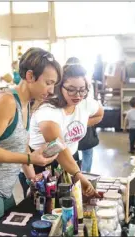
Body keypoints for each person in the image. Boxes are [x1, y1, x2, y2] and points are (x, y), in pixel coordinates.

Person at [0, 47, 62, 236]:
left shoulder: (27, 104)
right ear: (30, 76)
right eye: (48, 83)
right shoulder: (6, 102)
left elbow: (21, 144)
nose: (51, 90)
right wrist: (30, 158)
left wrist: (32, 177)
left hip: (4, 188)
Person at [28, 63, 104, 196]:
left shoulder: (84, 103)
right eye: (71, 89)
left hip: (71, 160)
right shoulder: (48, 110)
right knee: (46, 209)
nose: (78, 95)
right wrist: (78, 174)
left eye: (82, 89)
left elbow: (99, 114)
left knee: (72, 206)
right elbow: (59, 148)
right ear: (59, 87)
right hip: (44, 164)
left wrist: (77, 125)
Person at [64, 57, 100, 173]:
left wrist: (83, 121)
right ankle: (79, 174)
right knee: (73, 151)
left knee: (87, 148)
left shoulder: (86, 83)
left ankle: (85, 175)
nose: (78, 94)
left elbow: (96, 109)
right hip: (71, 121)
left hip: (84, 118)